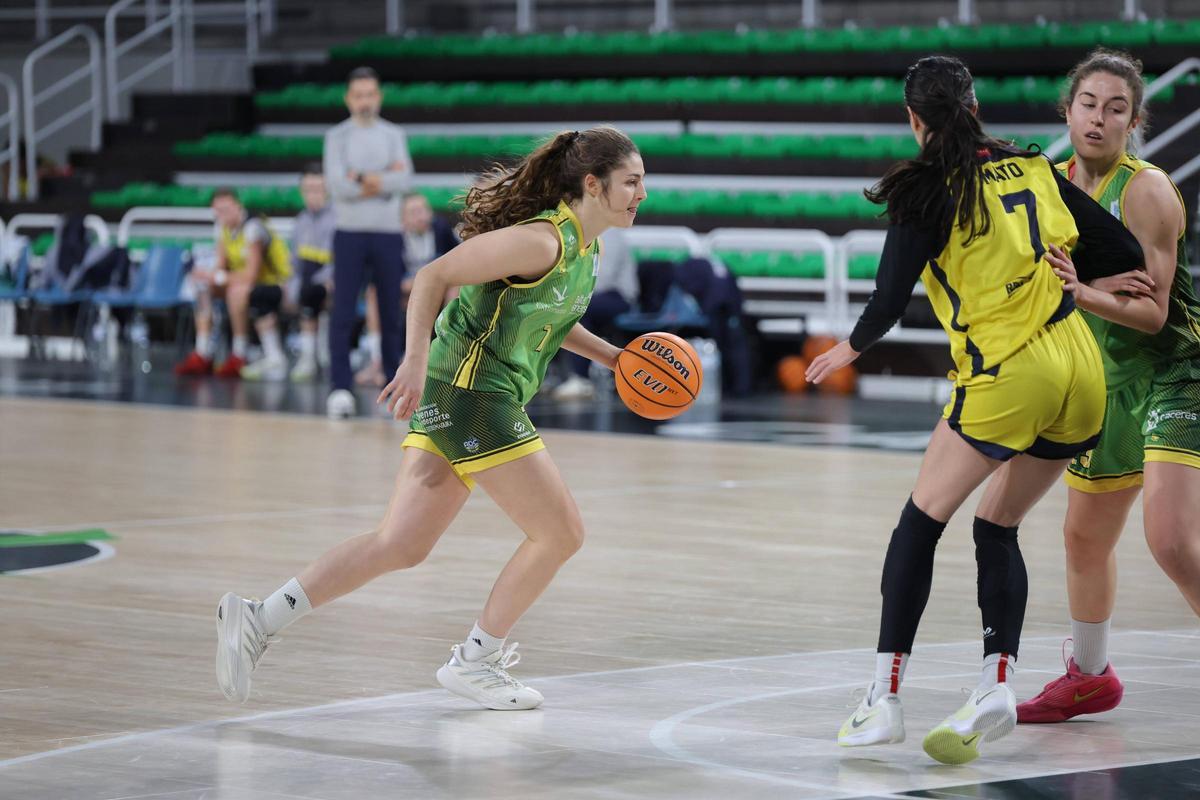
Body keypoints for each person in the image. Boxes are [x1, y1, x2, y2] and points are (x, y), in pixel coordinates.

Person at [214, 127, 647, 710]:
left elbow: (549, 316)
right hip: (473, 393)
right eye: (632, 182)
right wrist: (413, 360)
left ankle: (257, 620)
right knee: (560, 532)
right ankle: (476, 659)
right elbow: (432, 277)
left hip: (471, 392)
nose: (641, 193)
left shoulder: (584, 249)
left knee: (400, 543)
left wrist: (615, 358)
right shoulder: (542, 241)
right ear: (592, 185)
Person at [807, 56, 1143, 765]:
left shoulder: (926, 188)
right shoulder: (1032, 166)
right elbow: (1120, 248)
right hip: (1079, 373)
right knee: (997, 524)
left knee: (919, 523)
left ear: (914, 118)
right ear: (976, 104)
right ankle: (997, 682)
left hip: (1007, 375)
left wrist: (850, 348)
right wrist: (1075, 281)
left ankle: (882, 699)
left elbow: (890, 300)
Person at [1017, 50, 1200, 724]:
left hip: (1174, 369)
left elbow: (1152, 314)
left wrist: (1079, 291)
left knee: (1171, 540)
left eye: (1115, 107)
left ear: (1134, 120)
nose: (1099, 117)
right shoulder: (1048, 187)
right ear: (1067, 113)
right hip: (1102, 378)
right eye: (1088, 104)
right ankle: (1089, 676)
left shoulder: (1145, 190)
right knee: (1083, 538)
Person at [323, 66, 413, 417]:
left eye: (370, 94)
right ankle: (339, 388)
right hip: (349, 233)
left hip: (389, 233)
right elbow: (337, 185)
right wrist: (381, 179)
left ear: (379, 96)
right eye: (358, 95)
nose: (364, 101)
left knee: (391, 313)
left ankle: (395, 389)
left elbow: (403, 179)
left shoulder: (393, 134)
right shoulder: (337, 136)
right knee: (343, 311)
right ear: (349, 98)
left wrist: (359, 177)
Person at [174, 189, 292, 379]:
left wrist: (220, 277)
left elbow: (251, 275)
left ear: (238, 206)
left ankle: (239, 353)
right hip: (244, 282)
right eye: (218, 211)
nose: (222, 215)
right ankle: (203, 352)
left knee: (236, 292)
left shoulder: (254, 227)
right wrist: (207, 276)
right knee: (203, 288)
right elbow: (221, 265)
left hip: (277, 284)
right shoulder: (222, 228)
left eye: (226, 209)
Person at [355, 192, 460, 387]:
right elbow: (382, 279)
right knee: (374, 294)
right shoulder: (393, 239)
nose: (421, 216)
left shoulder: (441, 229)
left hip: (435, 290)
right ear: (402, 219)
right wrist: (416, 285)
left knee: (456, 286)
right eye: (414, 212)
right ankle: (378, 360)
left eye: (423, 210)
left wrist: (426, 284)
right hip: (404, 291)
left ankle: (444, 353)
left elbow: (457, 265)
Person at [552, 227, 637, 400]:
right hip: (590, 294)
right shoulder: (570, 229)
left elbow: (602, 279)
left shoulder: (609, 234)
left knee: (578, 307)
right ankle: (549, 374)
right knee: (551, 306)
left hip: (617, 296)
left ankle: (581, 378)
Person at [287, 165, 337, 382]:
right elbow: (294, 263)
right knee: (265, 294)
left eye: (318, 188)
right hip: (307, 280)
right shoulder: (300, 222)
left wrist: (327, 281)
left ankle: (318, 353)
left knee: (312, 293)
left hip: (331, 281)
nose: (313, 194)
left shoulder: (338, 219)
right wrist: (290, 287)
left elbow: (340, 263)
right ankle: (304, 355)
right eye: (308, 189)